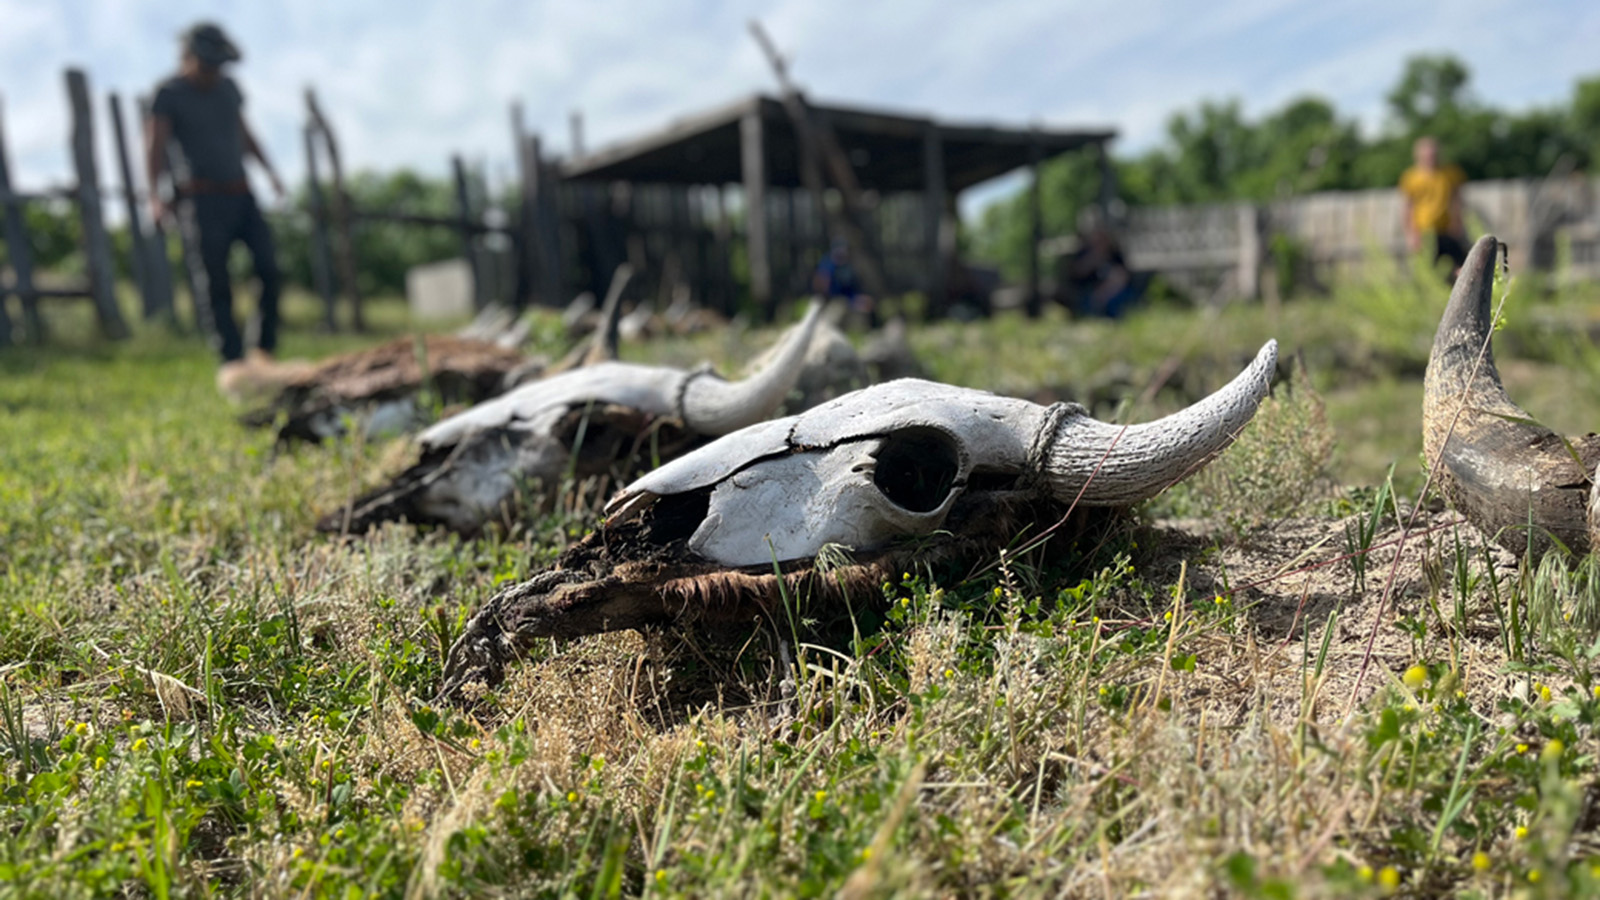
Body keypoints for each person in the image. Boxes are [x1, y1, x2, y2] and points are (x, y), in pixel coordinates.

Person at [146, 21, 286, 385]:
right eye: (207, 65)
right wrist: (155, 196)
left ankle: (263, 350)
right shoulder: (168, 93)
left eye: (218, 66)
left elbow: (244, 132)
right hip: (199, 199)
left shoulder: (228, 90)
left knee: (269, 268)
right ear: (188, 58)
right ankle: (232, 359)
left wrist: (269, 171)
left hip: (241, 192)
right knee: (214, 282)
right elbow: (155, 146)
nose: (213, 73)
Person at [1398, 136, 1469, 278]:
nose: (1431, 158)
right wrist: (1411, 234)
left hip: (1448, 230)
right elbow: (1408, 208)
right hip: (1425, 232)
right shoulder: (1411, 177)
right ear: (1418, 156)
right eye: (1427, 155)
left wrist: (1459, 223)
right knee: (1429, 272)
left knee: (1460, 268)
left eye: (1434, 155)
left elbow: (1457, 201)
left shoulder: (1451, 173)